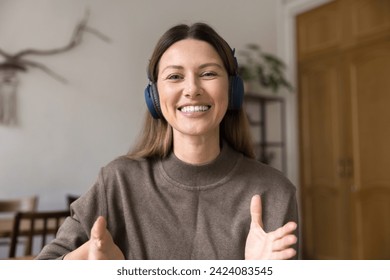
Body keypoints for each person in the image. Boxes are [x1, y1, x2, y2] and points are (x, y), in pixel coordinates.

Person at [36, 22, 298, 260]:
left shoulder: (274, 191)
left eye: (208, 74)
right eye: (175, 76)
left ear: (232, 90)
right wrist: (81, 263)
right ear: (154, 96)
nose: (192, 89)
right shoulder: (117, 182)